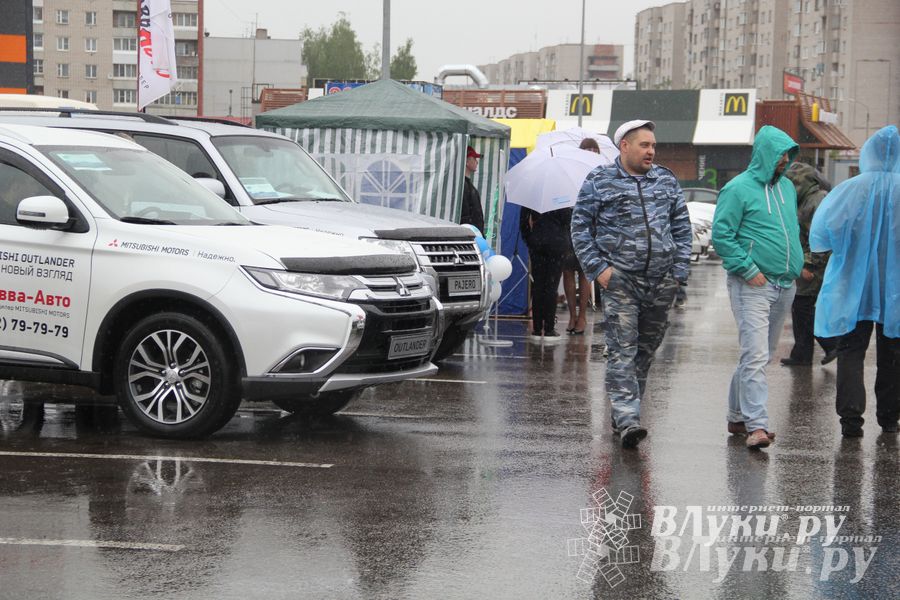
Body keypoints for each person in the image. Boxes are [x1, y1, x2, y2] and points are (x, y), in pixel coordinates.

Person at [572, 119, 692, 448]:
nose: (651, 151)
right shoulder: (600, 180)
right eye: (644, 145)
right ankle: (627, 418)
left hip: (661, 281)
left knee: (645, 352)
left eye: (653, 145)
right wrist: (599, 270)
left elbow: (682, 229)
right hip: (621, 281)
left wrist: (679, 272)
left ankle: (626, 409)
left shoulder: (666, 181)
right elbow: (580, 228)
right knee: (621, 350)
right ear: (625, 146)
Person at [712, 125, 802, 450]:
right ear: (765, 153)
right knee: (755, 355)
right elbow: (721, 235)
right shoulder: (737, 189)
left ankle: (737, 417)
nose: (784, 161)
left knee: (757, 357)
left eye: (788, 155)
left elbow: (789, 230)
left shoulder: (788, 188)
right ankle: (757, 426)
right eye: (780, 154)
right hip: (752, 284)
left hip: (784, 285)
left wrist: (797, 265)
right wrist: (747, 268)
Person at [809, 125, 900, 438]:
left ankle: (851, 419)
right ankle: (889, 416)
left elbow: (821, 234)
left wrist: (850, 242)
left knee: (851, 349)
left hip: (853, 284)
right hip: (895, 287)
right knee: (893, 350)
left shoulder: (851, 189)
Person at [780, 162, 838, 367]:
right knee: (802, 307)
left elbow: (821, 239)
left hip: (815, 265)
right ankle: (803, 353)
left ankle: (829, 345)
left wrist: (810, 265)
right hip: (810, 262)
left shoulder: (816, 202)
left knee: (803, 307)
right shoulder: (810, 200)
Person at [562, 137, 600, 334]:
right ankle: (572, 316)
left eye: (593, 149)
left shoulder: (601, 173)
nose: (591, 152)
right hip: (569, 225)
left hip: (590, 227)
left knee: (585, 272)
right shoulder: (572, 172)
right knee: (567, 271)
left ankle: (582, 316)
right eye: (587, 149)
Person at [521, 205, 570, 341]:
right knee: (551, 286)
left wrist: (530, 239)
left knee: (538, 285)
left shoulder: (533, 194)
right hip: (557, 243)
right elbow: (568, 220)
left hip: (538, 242)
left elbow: (523, 221)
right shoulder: (563, 197)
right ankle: (548, 328)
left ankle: (537, 328)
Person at [460, 145, 485, 234]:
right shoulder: (463, 186)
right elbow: (465, 215)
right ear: (466, 161)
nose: (477, 162)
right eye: (474, 158)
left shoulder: (466, 185)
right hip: (470, 235)